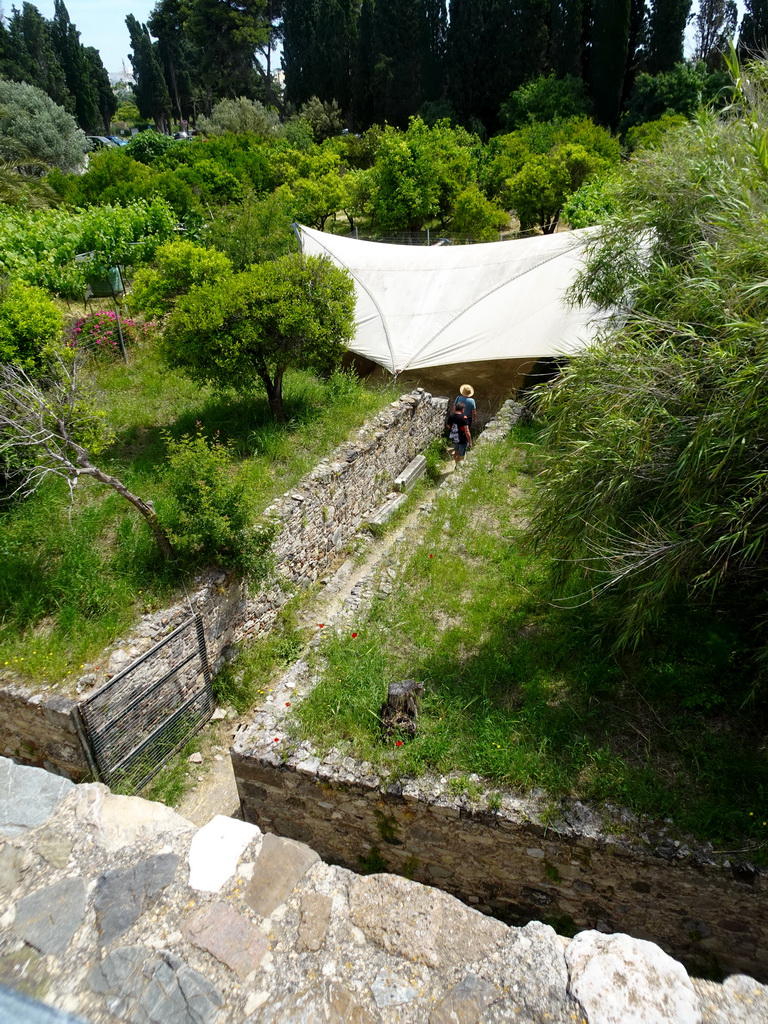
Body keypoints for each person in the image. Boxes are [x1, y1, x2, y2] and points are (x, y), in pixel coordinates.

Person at [446, 399, 472, 465]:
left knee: (456, 452)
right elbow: (467, 431)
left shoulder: (451, 416)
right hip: (462, 439)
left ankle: (456, 464)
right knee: (462, 454)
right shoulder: (464, 418)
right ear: (462, 409)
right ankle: (460, 466)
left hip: (454, 438)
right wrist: (470, 441)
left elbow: (448, 426)